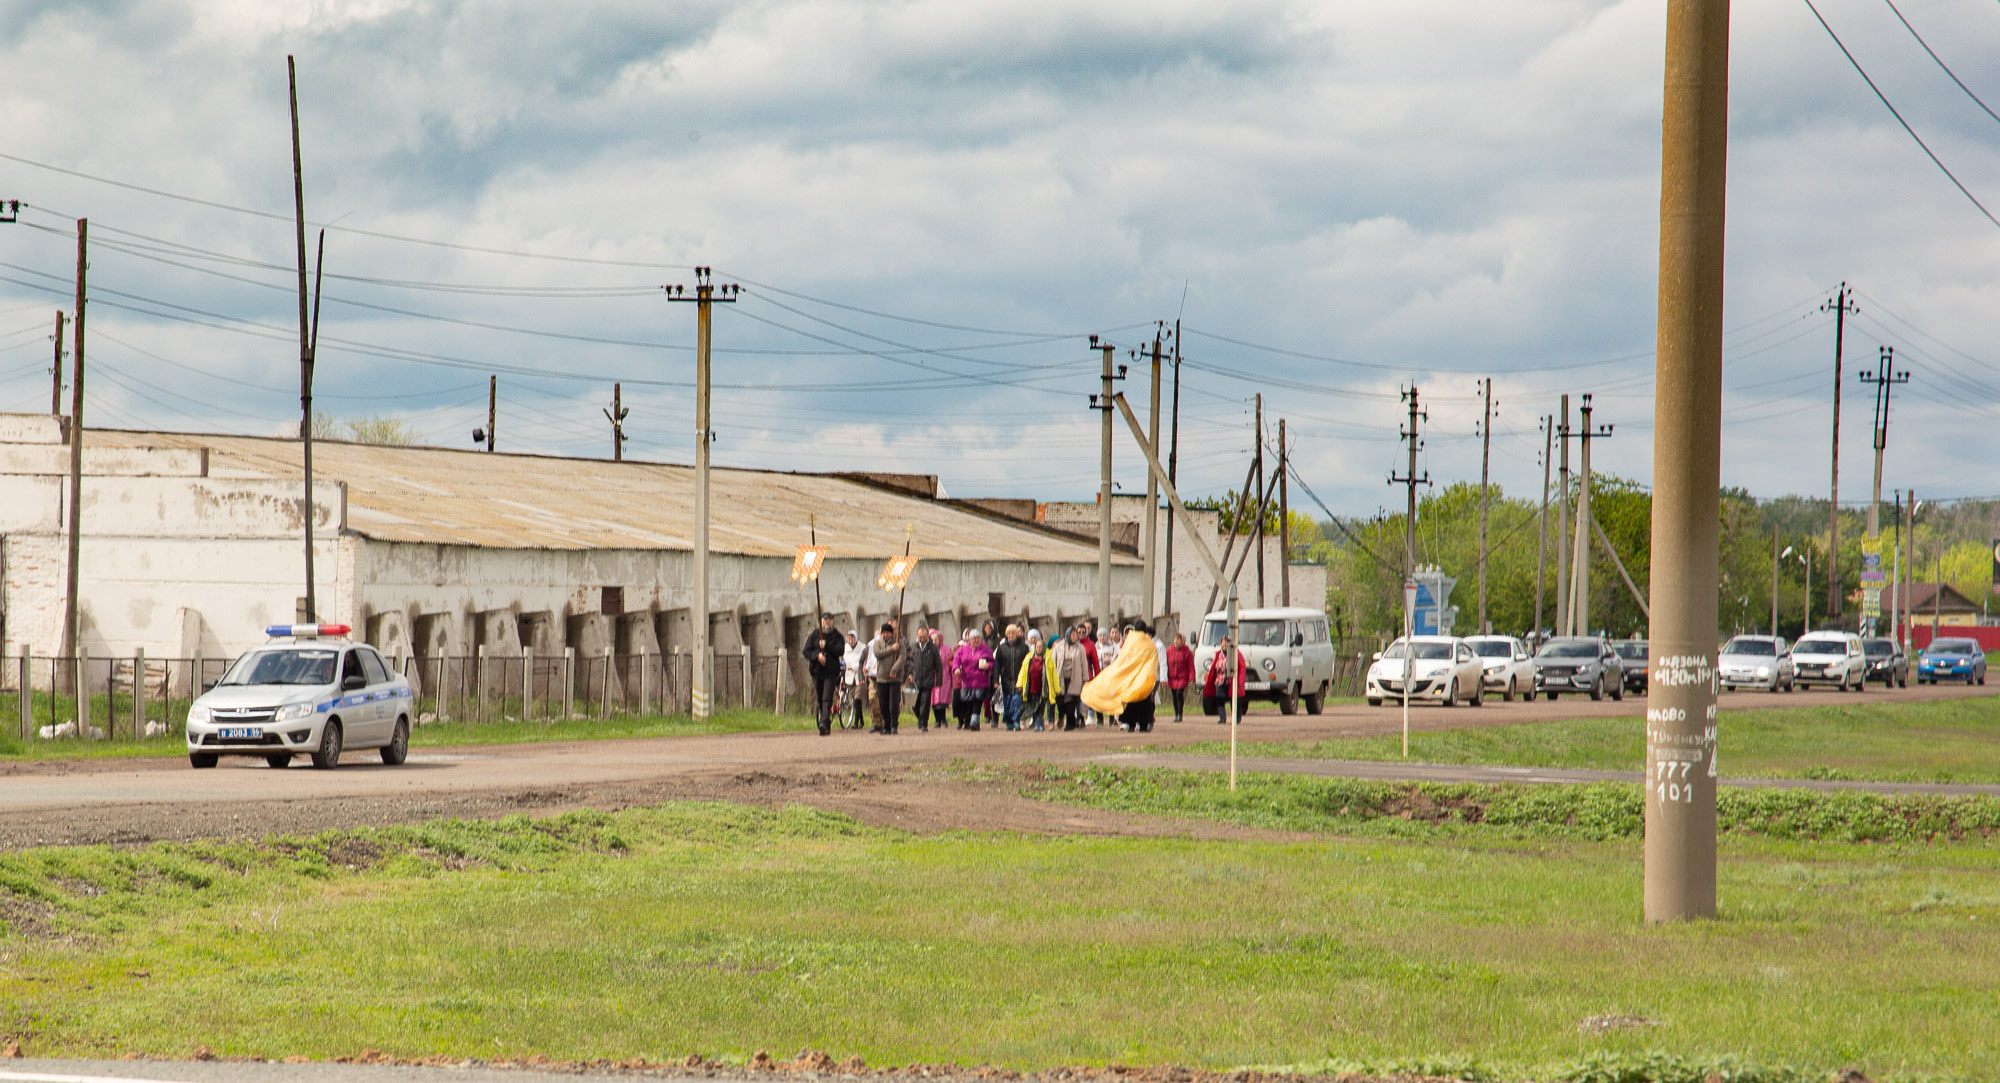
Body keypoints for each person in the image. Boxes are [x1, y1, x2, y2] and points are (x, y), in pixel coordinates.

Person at [1083, 620, 1159, 733]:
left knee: (1129, 700)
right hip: (1143, 678)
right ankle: (1143, 724)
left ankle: (1130, 724)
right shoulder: (1149, 644)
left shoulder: (1129, 642)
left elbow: (1123, 660)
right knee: (1143, 701)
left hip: (1130, 677)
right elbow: (1152, 662)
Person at [801, 613, 845, 736]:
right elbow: (806, 651)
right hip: (817, 671)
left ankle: (824, 722)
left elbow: (840, 650)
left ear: (832, 621)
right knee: (820, 698)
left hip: (831, 672)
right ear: (821, 621)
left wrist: (827, 646)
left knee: (827, 697)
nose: (827, 622)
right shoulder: (814, 635)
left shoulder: (837, 636)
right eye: (825, 620)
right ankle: (825, 722)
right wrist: (817, 655)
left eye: (829, 620)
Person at [951, 628, 994, 730]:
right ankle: (968, 722)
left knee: (977, 700)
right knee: (967, 701)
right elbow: (956, 660)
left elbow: (992, 661)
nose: (976, 640)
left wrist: (988, 665)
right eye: (974, 638)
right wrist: (956, 669)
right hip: (967, 680)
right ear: (969, 640)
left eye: (978, 638)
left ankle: (975, 721)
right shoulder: (962, 650)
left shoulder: (985, 650)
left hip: (981, 680)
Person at [1203, 635, 1249, 724]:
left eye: (1226, 643)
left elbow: (1242, 667)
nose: (1224, 645)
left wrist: (1240, 682)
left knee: (1233, 699)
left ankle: (1236, 717)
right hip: (1219, 681)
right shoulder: (1217, 654)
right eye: (1223, 643)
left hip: (1231, 681)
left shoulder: (1236, 654)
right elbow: (1213, 668)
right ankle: (1222, 718)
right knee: (1220, 699)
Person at [1053, 625, 1092, 731]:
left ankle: (1070, 723)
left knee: (1070, 702)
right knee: (1060, 701)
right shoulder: (1058, 647)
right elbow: (1053, 662)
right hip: (1061, 678)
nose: (1075, 637)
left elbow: (1084, 664)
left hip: (1074, 678)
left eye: (1075, 635)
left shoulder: (1080, 648)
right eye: (1072, 634)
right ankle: (1062, 716)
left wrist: (1085, 679)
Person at [993, 624, 1030, 731]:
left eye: (1013, 633)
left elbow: (1027, 664)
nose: (1011, 635)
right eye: (1009, 633)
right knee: (1007, 701)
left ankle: (1016, 721)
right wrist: (995, 680)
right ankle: (1009, 722)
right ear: (1006, 634)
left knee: (1017, 700)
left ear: (1017, 634)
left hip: (1019, 680)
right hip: (1006, 680)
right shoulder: (1001, 648)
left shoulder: (1024, 647)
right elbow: (997, 666)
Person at [871, 622, 906, 735]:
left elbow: (902, 658)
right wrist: (892, 649)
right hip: (882, 678)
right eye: (884, 633)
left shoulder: (899, 643)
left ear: (892, 633)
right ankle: (886, 725)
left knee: (894, 703)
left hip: (894, 679)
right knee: (883, 703)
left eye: (888, 633)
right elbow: (878, 653)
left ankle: (894, 725)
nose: (885, 635)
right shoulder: (878, 643)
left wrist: (894, 670)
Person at [1017, 629, 1056, 731]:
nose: (1038, 648)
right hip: (1031, 687)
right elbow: (1023, 672)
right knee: (1033, 706)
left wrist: (1056, 688)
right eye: (1037, 647)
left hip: (1043, 687)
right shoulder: (1028, 658)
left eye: (1040, 647)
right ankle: (1036, 722)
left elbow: (1054, 675)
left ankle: (1039, 723)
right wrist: (1019, 684)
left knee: (1041, 705)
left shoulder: (1048, 659)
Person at [909, 623, 943, 732]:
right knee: (914, 704)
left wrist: (939, 680)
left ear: (927, 636)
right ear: (917, 636)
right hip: (915, 680)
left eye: (924, 637)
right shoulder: (913, 647)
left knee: (925, 703)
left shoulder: (933, 648)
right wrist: (909, 674)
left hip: (928, 680)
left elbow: (938, 665)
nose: (922, 639)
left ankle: (924, 724)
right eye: (920, 637)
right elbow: (909, 662)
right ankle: (920, 718)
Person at [1164, 632, 1195, 724]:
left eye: (1178, 639)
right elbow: (1165, 664)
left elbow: (1190, 666)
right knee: (1174, 696)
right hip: (1172, 678)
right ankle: (1176, 714)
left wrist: (1191, 678)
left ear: (1183, 641)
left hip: (1182, 678)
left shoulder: (1187, 652)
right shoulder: (1168, 651)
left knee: (1179, 694)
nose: (1176, 641)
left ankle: (1180, 714)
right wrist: (1164, 677)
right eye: (1175, 639)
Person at [841, 631, 865, 729]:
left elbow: (863, 661)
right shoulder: (845, 648)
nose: (851, 641)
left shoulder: (862, 647)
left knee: (857, 699)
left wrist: (854, 667)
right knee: (855, 700)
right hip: (849, 677)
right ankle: (861, 721)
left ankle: (855, 722)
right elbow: (842, 660)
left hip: (860, 677)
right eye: (849, 639)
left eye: (852, 639)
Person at [929, 629, 952, 725]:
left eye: (936, 639)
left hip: (944, 676)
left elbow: (951, 662)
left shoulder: (946, 649)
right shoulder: (928, 650)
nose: (934, 642)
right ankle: (937, 720)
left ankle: (943, 719)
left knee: (943, 699)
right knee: (934, 699)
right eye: (932, 640)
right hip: (932, 676)